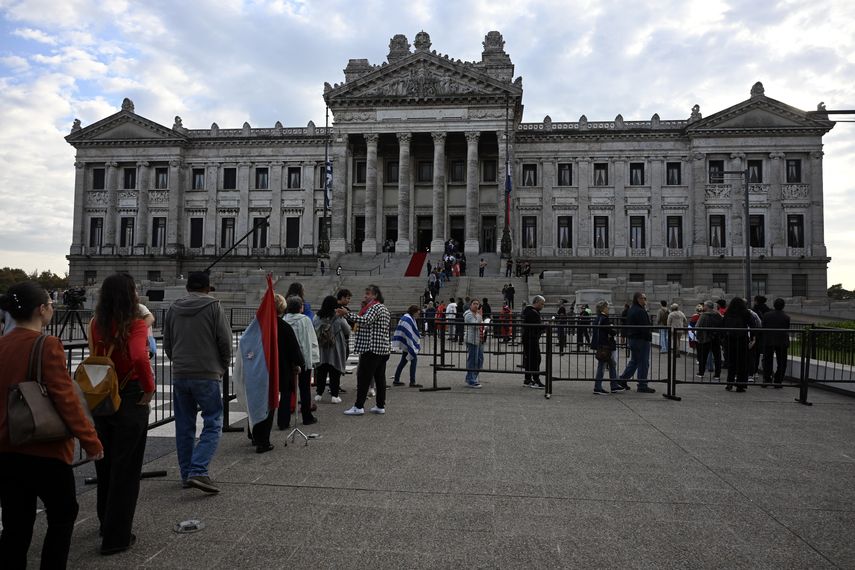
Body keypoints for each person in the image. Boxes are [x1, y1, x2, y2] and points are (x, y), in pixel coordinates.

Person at [0, 282, 103, 568]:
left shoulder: (2, 344)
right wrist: (90, 440)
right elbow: (65, 398)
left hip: (7, 448)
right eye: (49, 304)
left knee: (15, 525)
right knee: (62, 515)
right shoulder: (46, 344)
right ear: (41, 310)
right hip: (44, 448)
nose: (53, 308)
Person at [89, 273, 156, 554]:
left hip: (102, 395)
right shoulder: (135, 323)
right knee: (126, 469)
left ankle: (106, 521)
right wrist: (149, 387)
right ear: (131, 295)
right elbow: (140, 356)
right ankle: (116, 537)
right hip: (129, 396)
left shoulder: (96, 323)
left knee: (105, 464)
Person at [163, 271, 232, 494]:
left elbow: (168, 343)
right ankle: (198, 470)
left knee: (184, 425)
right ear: (207, 287)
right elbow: (225, 341)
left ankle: (186, 475)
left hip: (181, 373)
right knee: (213, 421)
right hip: (207, 373)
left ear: (187, 287)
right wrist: (221, 366)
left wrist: (180, 363)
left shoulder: (173, 308)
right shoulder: (213, 306)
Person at [344, 285, 391, 416]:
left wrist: (347, 314)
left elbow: (365, 321)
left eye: (368, 294)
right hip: (382, 348)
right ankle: (380, 405)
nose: (365, 296)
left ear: (375, 295)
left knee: (363, 378)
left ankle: (358, 406)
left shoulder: (374, 307)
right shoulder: (383, 308)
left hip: (371, 348)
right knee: (380, 378)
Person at [281, 296, 319, 426]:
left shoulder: (284, 320)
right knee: (304, 389)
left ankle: (283, 420)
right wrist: (313, 359)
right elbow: (311, 340)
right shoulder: (305, 320)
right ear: (300, 307)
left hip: (287, 361)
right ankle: (307, 416)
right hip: (303, 358)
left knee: (286, 390)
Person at [314, 295, 350, 403]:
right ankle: (334, 395)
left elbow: (314, 330)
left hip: (322, 348)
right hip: (336, 349)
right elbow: (347, 330)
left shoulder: (317, 317)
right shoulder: (338, 317)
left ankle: (319, 394)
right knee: (335, 372)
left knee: (321, 371)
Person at [619, 292, 656, 393]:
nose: (645, 300)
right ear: (639, 299)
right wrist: (648, 337)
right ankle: (642, 384)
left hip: (633, 338)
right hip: (641, 340)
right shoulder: (640, 311)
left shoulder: (631, 310)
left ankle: (622, 380)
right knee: (643, 362)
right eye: (644, 298)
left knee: (634, 361)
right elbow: (645, 327)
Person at [722, 297, 754, 392]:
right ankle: (740, 385)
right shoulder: (745, 313)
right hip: (742, 340)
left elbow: (723, 325)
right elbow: (753, 325)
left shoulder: (728, 313)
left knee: (731, 363)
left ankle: (729, 383)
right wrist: (753, 338)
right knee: (742, 363)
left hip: (730, 340)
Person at [591, 300, 621, 394]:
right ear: (603, 308)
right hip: (606, 346)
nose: (609, 309)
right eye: (607, 307)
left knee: (611, 365)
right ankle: (598, 387)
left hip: (601, 345)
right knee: (603, 366)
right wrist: (613, 331)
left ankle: (614, 385)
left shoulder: (598, 318)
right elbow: (610, 331)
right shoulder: (604, 319)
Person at [761, 298, 791, 388]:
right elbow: (787, 329)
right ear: (783, 306)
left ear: (774, 305)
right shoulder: (786, 317)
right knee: (782, 362)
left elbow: (763, 327)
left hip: (769, 340)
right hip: (782, 341)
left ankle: (767, 379)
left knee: (767, 361)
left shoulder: (766, 315)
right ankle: (778, 381)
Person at [391, 305, 422, 388]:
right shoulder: (408, 319)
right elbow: (408, 333)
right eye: (418, 313)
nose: (418, 315)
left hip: (406, 343)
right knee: (413, 360)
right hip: (408, 344)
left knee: (403, 361)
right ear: (414, 312)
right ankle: (412, 382)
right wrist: (411, 345)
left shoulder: (408, 318)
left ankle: (396, 379)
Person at [521, 296, 546, 388]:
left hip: (530, 338)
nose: (543, 306)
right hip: (531, 338)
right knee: (535, 359)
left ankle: (528, 379)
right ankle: (535, 379)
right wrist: (544, 327)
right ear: (536, 302)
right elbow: (536, 326)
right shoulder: (532, 312)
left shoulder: (531, 311)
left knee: (530, 359)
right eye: (541, 304)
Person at [695, 301, 724, 380]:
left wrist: (698, 336)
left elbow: (697, 326)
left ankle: (701, 372)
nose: (703, 307)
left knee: (703, 356)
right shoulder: (717, 315)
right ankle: (717, 374)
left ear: (707, 307)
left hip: (705, 338)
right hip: (716, 338)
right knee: (717, 357)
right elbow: (722, 324)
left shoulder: (704, 316)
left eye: (704, 306)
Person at [463, 299, 485, 388]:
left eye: (477, 304)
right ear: (470, 305)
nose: (476, 305)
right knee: (473, 360)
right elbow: (475, 324)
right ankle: (471, 380)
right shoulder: (468, 315)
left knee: (480, 359)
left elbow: (481, 324)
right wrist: (480, 316)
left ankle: (471, 377)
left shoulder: (477, 315)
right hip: (471, 340)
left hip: (479, 339)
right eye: (474, 304)